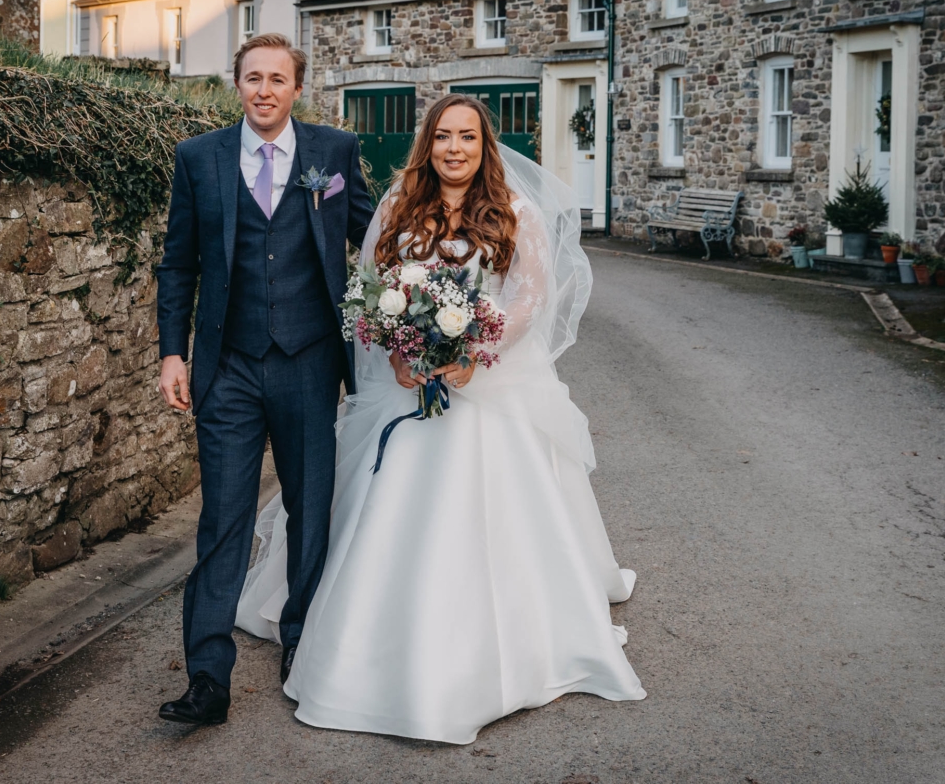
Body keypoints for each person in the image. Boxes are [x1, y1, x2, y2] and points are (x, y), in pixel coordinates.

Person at [236, 93, 645, 744]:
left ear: (485, 147)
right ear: (427, 144)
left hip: (486, 384)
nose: (455, 148)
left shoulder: (515, 210)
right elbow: (371, 291)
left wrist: (473, 355)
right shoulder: (401, 207)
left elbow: (530, 299)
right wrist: (400, 353)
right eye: (444, 137)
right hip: (407, 387)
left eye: (468, 138)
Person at [154, 33, 374, 725]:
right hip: (228, 366)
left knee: (311, 510)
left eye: (278, 78)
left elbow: (377, 233)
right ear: (237, 84)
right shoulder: (198, 158)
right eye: (253, 78)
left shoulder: (333, 154)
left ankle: (300, 642)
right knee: (223, 516)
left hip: (310, 361)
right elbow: (178, 263)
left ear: (297, 87)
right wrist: (171, 352)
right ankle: (208, 677)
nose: (265, 90)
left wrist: (456, 236)